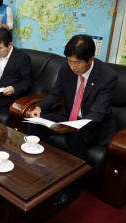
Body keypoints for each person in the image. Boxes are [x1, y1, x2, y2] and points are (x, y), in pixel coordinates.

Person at [29, 34, 118, 208]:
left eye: (77, 62)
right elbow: (56, 92)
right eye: (69, 61)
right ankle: (33, 167)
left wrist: (74, 128)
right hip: (69, 114)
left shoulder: (108, 76)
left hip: (93, 123)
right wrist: (40, 107)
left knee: (75, 137)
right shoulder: (66, 66)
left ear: (90, 59)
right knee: (37, 121)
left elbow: (98, 112)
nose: (72, 66)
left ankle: (72, 186)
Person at [0, 28, 33, 124]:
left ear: (9, 44)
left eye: (0, 48)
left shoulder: (22, 58)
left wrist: (14, 88)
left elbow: (28, 81)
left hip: (11, 95)